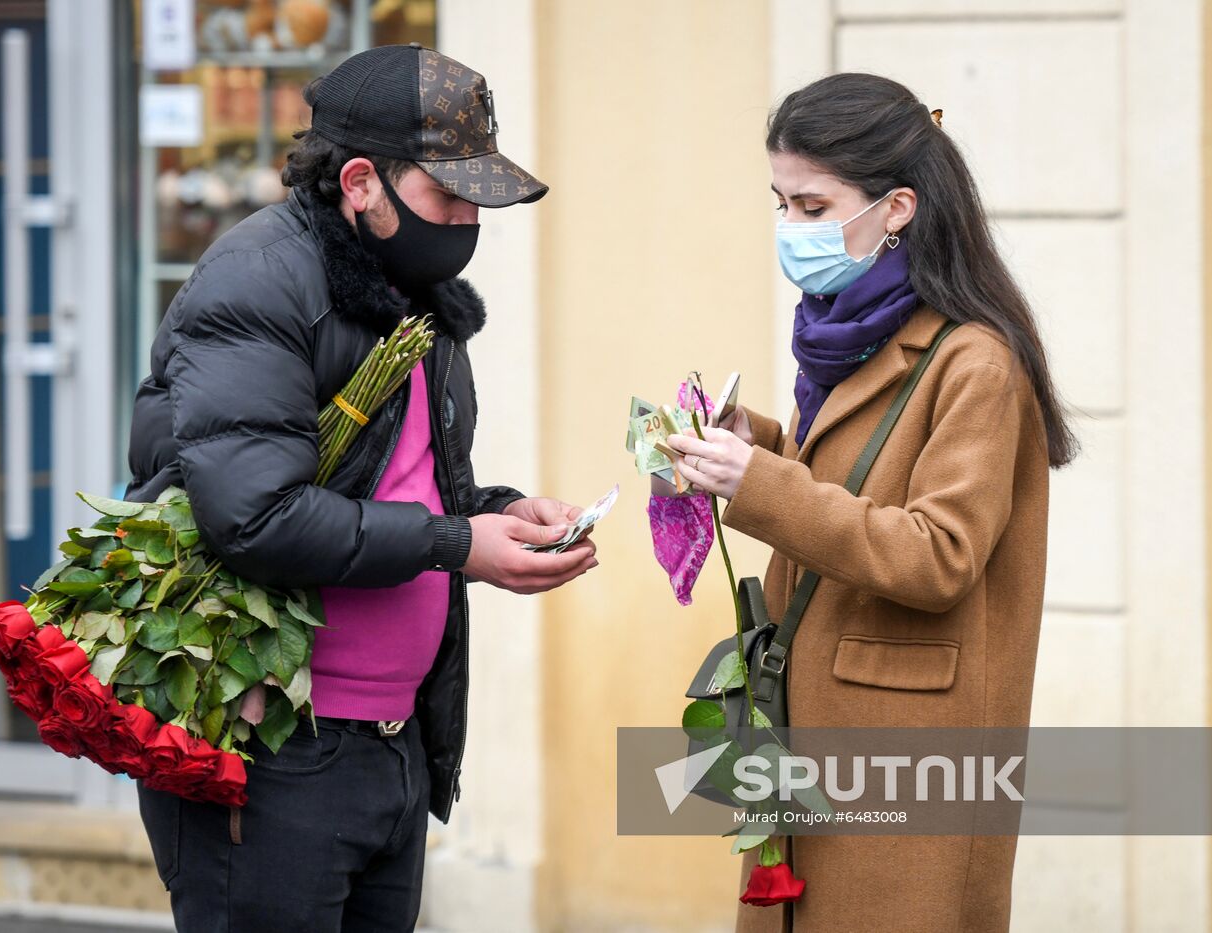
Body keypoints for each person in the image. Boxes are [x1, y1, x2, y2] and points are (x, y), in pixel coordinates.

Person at [123, 44, 598, 932]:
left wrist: (498, 514)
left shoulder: (415, 289)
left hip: (392, 749)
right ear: (359, 181)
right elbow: (256, 515)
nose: (466, 220)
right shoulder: (260, 280)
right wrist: (459, 545)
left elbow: (395, 479)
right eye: (445, 193)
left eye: (478, 198)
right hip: (275, 754)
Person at [661, 73, 1075, 933]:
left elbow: (937, 553)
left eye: (813, 206)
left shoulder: (976, 361)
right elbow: (858, 481)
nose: (791, 230)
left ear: (897, 209)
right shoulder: (856, 330)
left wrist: (759, 481)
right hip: (814, 737)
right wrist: (756, 445)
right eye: (780, 202)